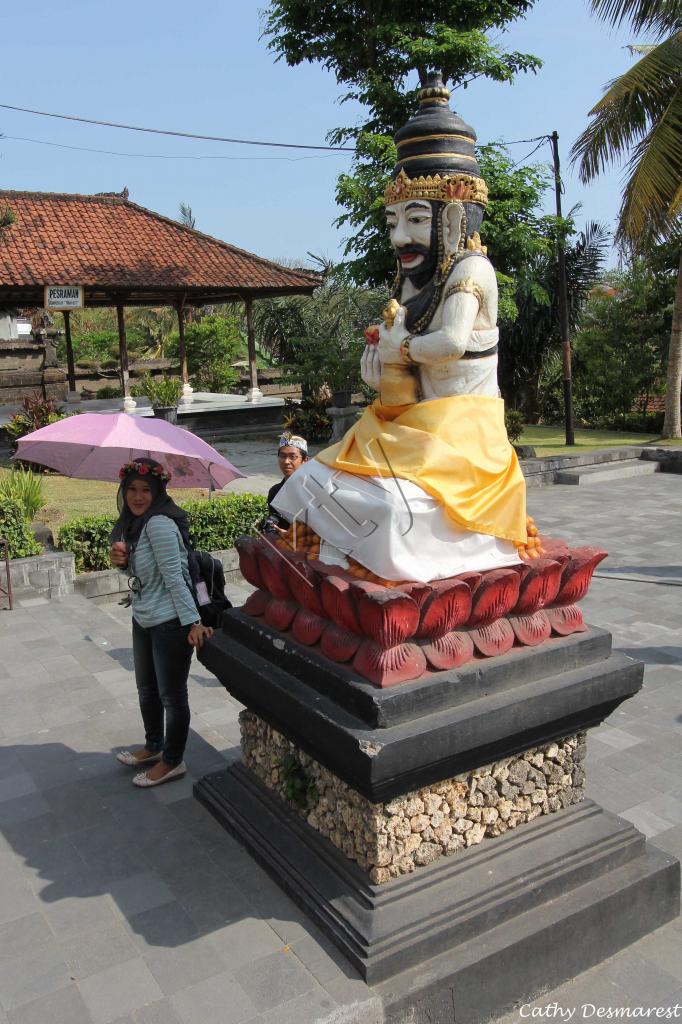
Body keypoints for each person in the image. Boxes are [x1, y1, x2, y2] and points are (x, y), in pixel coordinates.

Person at [271, 74, 527, 583]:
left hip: (463, 437)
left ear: (454, 218)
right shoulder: (413, 282)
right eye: (391, 223)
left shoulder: (470, 270)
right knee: (314, 478)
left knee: (388, 509)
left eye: (414, 220)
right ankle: (341, 558)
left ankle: (382, 570)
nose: (399, 237)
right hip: (414, 428)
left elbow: (452, 343)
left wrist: (402, 348)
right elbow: (408, 383)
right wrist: (383, 377)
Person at [109, 458, 213, 787]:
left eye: (146, 490)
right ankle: (153, 746)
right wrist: (123, 563)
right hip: (144, 616)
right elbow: (144, 576)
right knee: (146, 690)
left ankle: (172, 760)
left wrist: (194, 622)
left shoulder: (159, 525)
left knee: (171, 697)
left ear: (158, 492)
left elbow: (175, 578)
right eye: (132, 490)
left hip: (170, 621)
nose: (137, 497)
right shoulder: (135, 524)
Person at [260, 433, 308, 535]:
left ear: (305, 460)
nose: (286, 461)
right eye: (282, 456)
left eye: (293, 457)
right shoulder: (275, 491)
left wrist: (291, 537)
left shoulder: (313, 491)